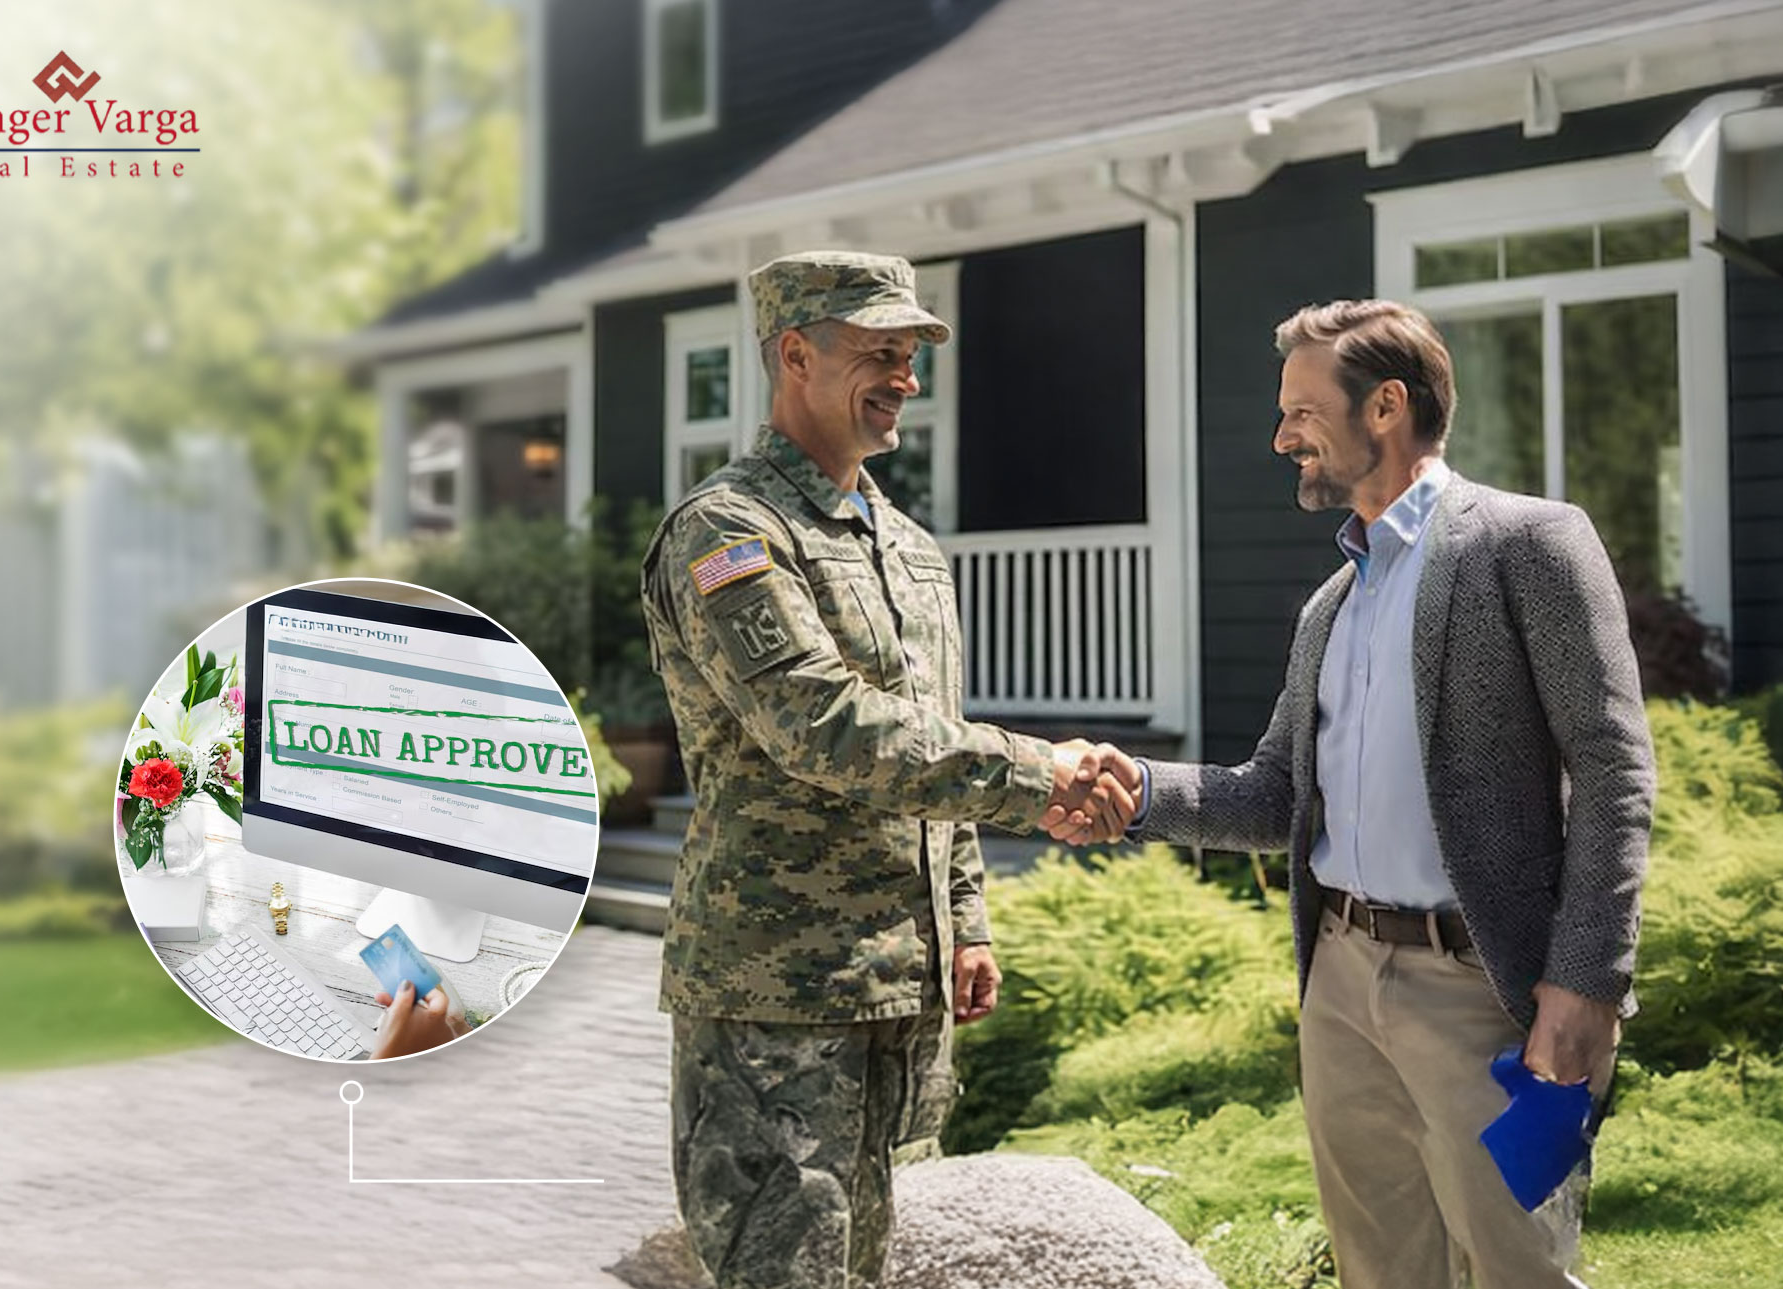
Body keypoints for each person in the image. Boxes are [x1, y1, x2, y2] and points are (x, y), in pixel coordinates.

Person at [1046, 299, 1654, 1289]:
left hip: (1478, 990)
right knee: (1379, 1271)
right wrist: (1137, 788)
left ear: (1382, 407)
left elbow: (1614, 765)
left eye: (1301, 409)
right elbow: (1275, 792)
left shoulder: (1527, 544)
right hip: (1338, 981)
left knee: (1517, 1268)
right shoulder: (1333, 600)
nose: (1282, 434)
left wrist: (1586, 982)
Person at [640, 250, 1135, 1289]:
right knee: (783, 1270)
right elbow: (821, 721)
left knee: (873, 1269)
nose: (905, 378)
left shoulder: (907, 548)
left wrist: (966, 917)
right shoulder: (729, 533)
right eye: (878, 353)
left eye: (910, 356)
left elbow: (927, 737)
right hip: (778, 995)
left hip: (897, 986)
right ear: (793, 355)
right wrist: (1041, 772)